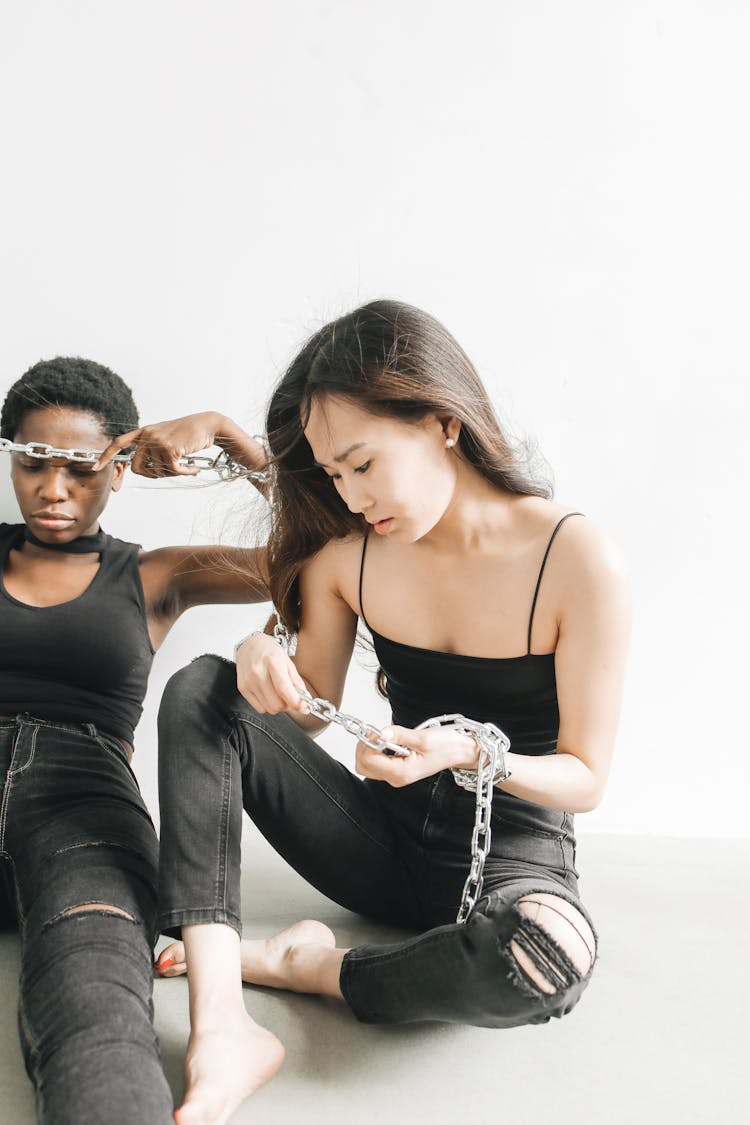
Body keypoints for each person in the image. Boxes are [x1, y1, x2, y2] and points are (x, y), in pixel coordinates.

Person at [150, 299, 631, 1125]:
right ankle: (222, 1019)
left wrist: (467, 754)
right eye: (332, 474)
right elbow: (307, 714)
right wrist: (263, 660)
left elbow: (585, 778)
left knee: (547, 959)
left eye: (362, 463)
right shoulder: (349, 555)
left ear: (443, 421)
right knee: (202, 685)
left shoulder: (574, 556)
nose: (349, 493)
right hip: (376, 843)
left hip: (511, 859)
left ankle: (311, 968)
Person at [0, 356, 274, 1124]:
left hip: (82, 810)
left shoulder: (157, 576)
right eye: (34, 463)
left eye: (83, 468)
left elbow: (320, 553)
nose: (55, 489)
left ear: (120, 470)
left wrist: (228, 439)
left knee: (97, 1007)